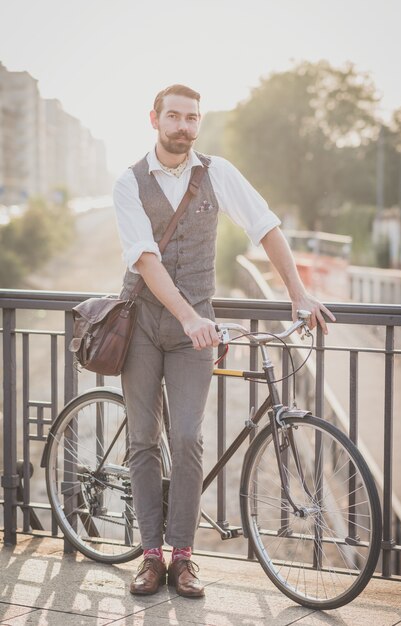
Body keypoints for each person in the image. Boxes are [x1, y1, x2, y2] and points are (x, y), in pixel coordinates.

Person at [113, 84, 335, 598]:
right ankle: (150, 556)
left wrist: (297, 294)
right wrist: (190, 316)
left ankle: (184, 556)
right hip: (144, 325)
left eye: (192, 117)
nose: (184, 126)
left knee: (188, 438)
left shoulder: (218, 172)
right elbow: (144, 259)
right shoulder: (129, 182)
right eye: (174, 116)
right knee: (144, 440)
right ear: (154, 119)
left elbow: (266, 226)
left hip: (198, 330)